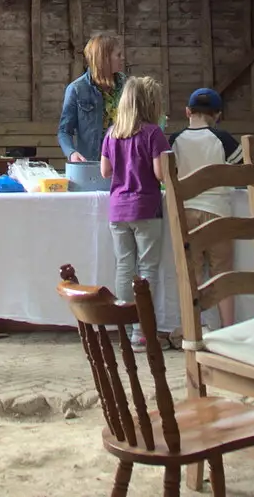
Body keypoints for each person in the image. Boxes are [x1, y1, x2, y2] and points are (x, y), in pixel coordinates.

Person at [100, 75, 170, 345]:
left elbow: (105, 171)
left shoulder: (112, 132)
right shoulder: (153, 133)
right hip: (146, 207)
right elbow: (160, 173)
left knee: (124, 267)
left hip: (118, 210)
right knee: (148, 269)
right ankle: (143, 332)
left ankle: (126, 330)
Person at [169, 87, 240, 329]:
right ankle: (228, 328)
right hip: (218, 213)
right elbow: (242, 173)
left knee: (193, 274)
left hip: (186, 213)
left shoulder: (174, 141)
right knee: (223, 275)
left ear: (187, 112)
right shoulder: (225, 140)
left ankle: (193, 329)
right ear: (217, 115)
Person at [60, 31, 125, 164]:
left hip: (124, 164)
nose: (122, 58)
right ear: (104, 58)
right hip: (91, 164)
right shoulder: (77, 89)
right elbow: (64, 131)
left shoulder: (128, 87)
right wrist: (71, 153)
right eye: (118, 55)